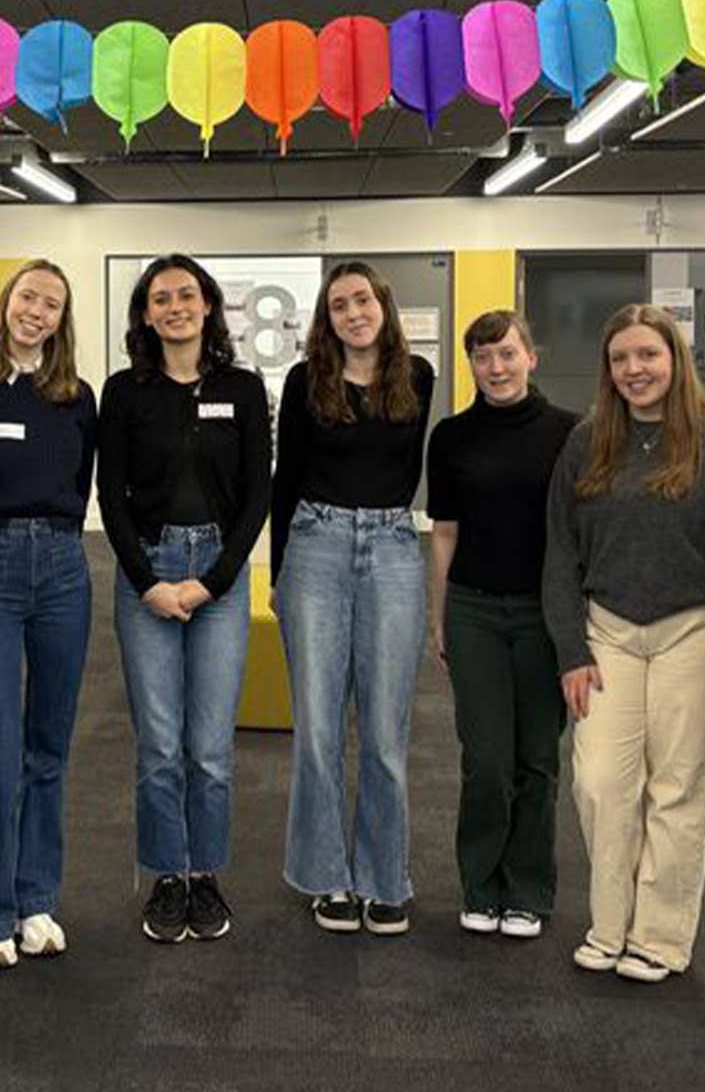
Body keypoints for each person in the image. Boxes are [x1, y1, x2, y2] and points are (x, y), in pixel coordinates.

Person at [543, 303, 705, 983]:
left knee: (678, 788)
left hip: (697, 629)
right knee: (599, 783)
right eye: (621, 358)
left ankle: (659, 937)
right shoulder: (588, 440)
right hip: (610, 632)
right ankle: (608, 924)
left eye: (647, 355)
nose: (635, 370)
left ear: (674, 359)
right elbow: (560, 552)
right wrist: (571, 650)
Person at [98, 254, 270, 945]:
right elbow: (109, 494)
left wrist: (217, 580)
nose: (175, 306)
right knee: (159, 746)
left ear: (208, 307)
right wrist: (148, 582)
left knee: (210, 748)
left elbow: (259, 491)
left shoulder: (244, 387)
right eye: (161, 297)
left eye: (187, 295)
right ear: (145, 313)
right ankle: (168, 875)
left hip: (219, 578)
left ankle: (207, 875)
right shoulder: (125, 391)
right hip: (149, 569)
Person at [270, 261, 434, 936]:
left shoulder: (416, 376)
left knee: (386, 731)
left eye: (362, 300)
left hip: (393, 546)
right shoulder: (306, 380)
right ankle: (325, 876)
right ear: (326, 318)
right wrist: (280, 573)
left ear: (382, 305)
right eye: (339, 305)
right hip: (316, 543)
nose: (353, 313)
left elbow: (408, 467)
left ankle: (383, 877)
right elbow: (286, 480)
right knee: (316, 725)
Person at [0, 260, 97, 969]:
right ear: (7, 303)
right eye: (28, 297)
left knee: (49, 749)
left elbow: (77, 483)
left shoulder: (77, 398)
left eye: (52, 304)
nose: (37, 311)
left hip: (64, 565)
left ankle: (37, 899)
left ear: (63, 320)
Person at [426, 310, 577, 941]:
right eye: (483, 358)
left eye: (507, 354)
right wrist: (438, 619)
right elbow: (444, 534)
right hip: (475, 613)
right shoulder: (452, 436)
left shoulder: (570, 432)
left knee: (536, 759)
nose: (496, 368)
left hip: (544, 614)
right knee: (486, 760)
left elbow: (576, 536)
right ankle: (481, 885)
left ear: (530, 356)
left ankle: (529, 890)